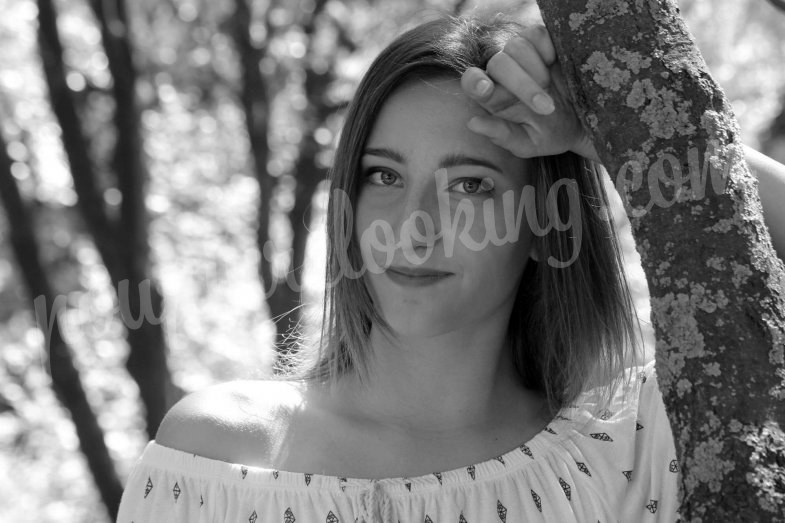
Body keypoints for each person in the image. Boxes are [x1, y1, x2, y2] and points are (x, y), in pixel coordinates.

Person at [116, 9, 785, 523]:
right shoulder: (217, 457)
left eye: (469, 185)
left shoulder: (628, 451)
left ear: (544, 222)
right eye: (383, 175)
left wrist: (604, 131)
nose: (414, 225)